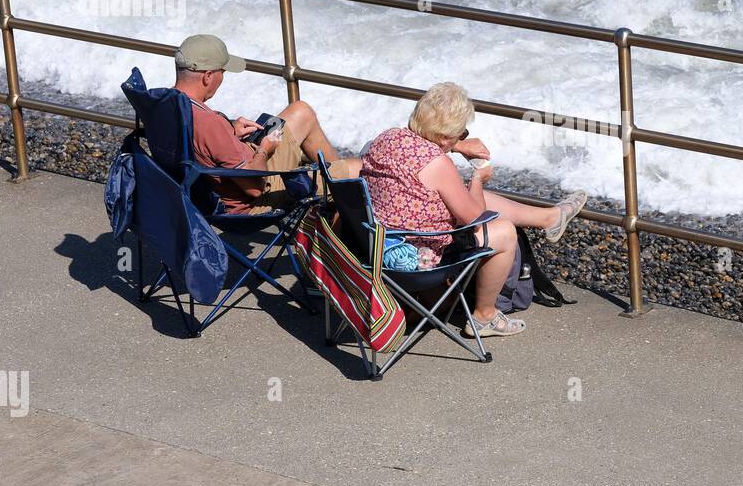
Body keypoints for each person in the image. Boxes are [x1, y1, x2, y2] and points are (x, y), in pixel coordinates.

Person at [361, 82, 586, 338]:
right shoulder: (437, 165)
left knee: (465, 196)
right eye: (461, 133)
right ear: (445, 136)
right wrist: (478, 178)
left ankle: (549, 218)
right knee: (503, 231)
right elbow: (474, 220)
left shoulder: (386, 138)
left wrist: (455, 146)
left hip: (379, 245)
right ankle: (485, 317)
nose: (462, 137)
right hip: (419, 258)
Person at [171, 34, 363, 215]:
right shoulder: (209, 124)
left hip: (222, 180)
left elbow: (204, 144)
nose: (223, 78)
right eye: (222, 72)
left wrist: (230, 130)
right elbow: (255, 188)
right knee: (359, 169)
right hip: (255, 199)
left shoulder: (166, 104)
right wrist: (264, 149)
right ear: (208, 76)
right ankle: (342, 197)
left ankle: (336, 192)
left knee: (301, 111)